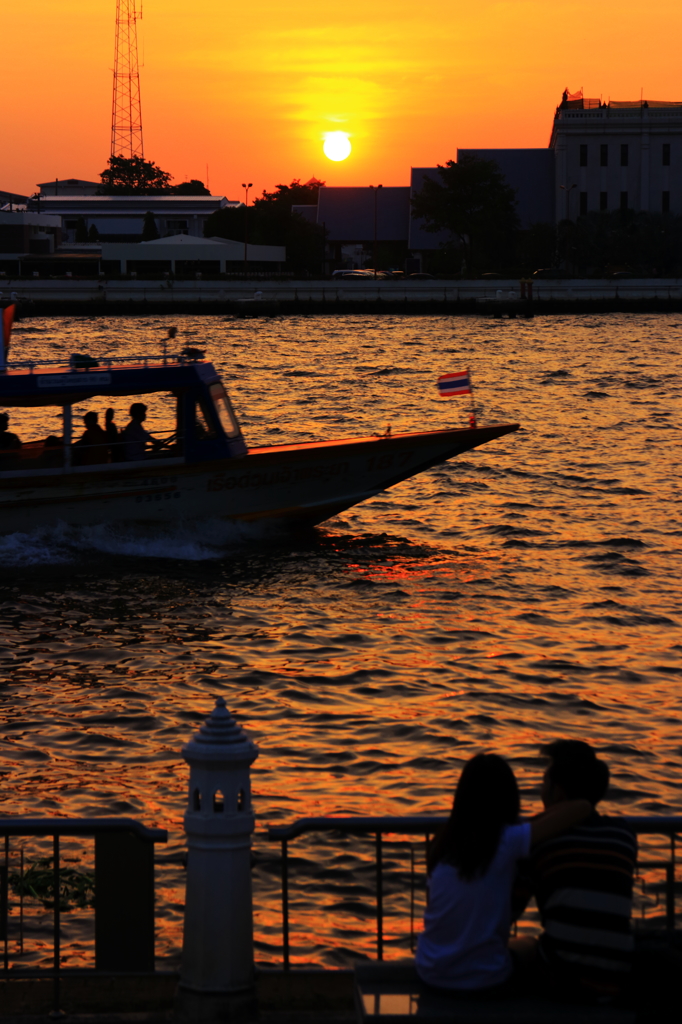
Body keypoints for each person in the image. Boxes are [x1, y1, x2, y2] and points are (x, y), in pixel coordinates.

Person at [415, 753, 591, 994]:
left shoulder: (441, 844)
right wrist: (531, 825)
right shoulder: (508, 840)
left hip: (430, 970)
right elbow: (581, 807)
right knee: (529, 944)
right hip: (485, 980)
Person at [521, 740, 637, 1004]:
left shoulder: (539, 842)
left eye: (544, 782)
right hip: (618, 974)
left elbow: (510, 910)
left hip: (561, 979)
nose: (540, 792)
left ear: (557, 791)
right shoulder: (623, 834)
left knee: (522, 947)